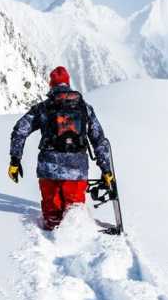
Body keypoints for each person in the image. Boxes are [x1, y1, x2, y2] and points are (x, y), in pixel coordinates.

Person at [8, 66, 114, 230]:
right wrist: (106, 170)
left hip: (49, 171)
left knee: (52, 220)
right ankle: (78, 244)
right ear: (68, 83)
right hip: (77, 170)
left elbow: (19, 131)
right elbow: (98, 139)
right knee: (74, 216)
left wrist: (15, 160)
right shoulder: (84, 107)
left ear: (51, 85)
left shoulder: (42, 108)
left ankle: (53, 242)